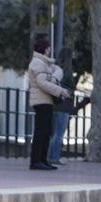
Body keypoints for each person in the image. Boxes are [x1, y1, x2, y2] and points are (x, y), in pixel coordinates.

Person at [27, 36, 69, 171]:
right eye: (48, 48)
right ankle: (36, 161)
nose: (50, 50)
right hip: (41, 101)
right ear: (45, 49)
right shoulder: (38, 63)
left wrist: (53, 78)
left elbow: (58, 70)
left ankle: (43, 160)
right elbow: (42, 83)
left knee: (46, 132)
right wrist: (60, 90)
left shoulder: (44, 63)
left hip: (45, 101)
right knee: (41, 132)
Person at [48, 47, 75, 166]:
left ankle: (50, 156)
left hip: (54, 104)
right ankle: (54, 157)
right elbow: (67, 89)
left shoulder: (55, 69)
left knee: (54, 133)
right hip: (63, 106)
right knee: (59, 134)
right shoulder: (67, 72)